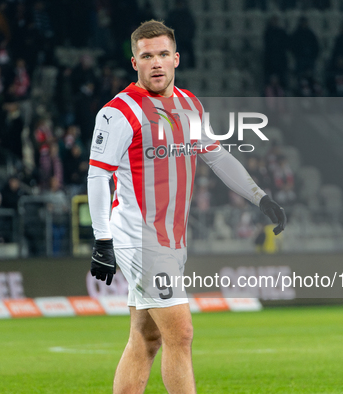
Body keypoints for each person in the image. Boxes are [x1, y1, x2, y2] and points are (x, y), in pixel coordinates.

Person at [87, 20, 287, 394]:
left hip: (171, 240)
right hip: (140, 237)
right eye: (147, 56)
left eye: (163, 54)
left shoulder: (189, 104)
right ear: (135, 63)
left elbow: (217, 157)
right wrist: (102, 240)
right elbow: (97, 176)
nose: (156, 63)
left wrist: (260, 197)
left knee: (146, 338)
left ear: (176, 58)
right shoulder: (119, 112)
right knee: (181, 333)